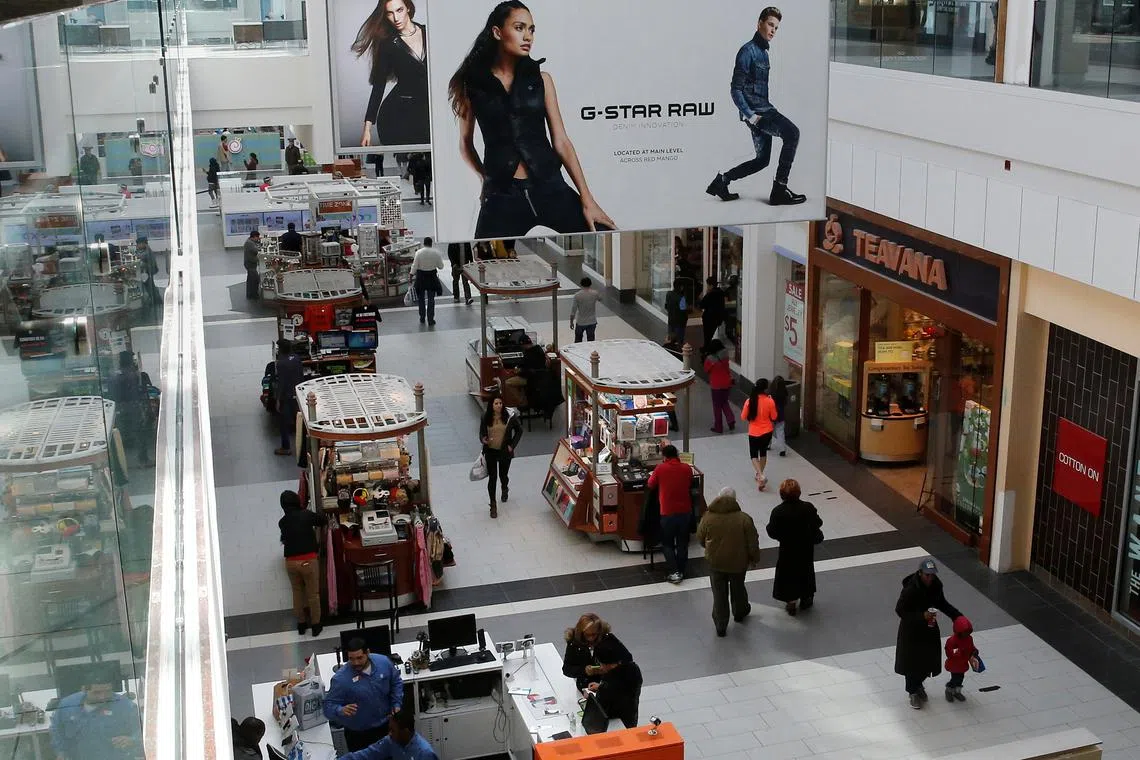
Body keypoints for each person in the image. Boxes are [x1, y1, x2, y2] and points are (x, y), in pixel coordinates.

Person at [448, 1, 616, 238]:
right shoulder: (471, 85)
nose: (528, 36)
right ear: (497, 32)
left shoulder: (542, 80)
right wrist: (486, 178)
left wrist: (588, 199)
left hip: (549, 186)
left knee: (605, 234)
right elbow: (465, 145)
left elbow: (561, 142)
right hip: (502, 195)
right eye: (519, 28)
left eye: (531, 29)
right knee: (484, 262)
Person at [706, 7, 806, 207]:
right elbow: (735, 90)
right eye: (770, 24)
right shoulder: (747, 51)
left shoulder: (763, 52)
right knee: (792, 133)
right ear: (759, 23)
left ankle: (722, 181)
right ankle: (779, 189)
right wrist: (751, 116)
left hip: (764, 110)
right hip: (758, 114)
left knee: (762, 160)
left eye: (776, 28)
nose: (773, 31)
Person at [355, 0, 430, 147]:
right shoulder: (387, 44)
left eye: (399, 10)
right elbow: (378, 86)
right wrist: (367, 128)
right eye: (390, 13)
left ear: (408, 8)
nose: (396, 18)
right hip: (398, 116)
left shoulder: (431, 32)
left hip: (427, 113)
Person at [894, 558, 963, 710]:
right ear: (920, 573)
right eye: (927, 575)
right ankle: (913, 692)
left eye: (932, 575)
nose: (930, 578)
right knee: (911, 663)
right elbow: (900, 610)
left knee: (928, 660)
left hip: (929, 628)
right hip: (911, 631)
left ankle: (919, 685)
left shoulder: (936, 585)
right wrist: (921, 616)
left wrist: (957, 616)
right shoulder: (910, 589)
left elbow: (942, 603)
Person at [562, 614, 643, 731]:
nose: (591, 638)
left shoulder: (608, 641)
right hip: (591, 687)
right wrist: (585, 671)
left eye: (594, 634)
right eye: (587, 635)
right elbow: (567, 669)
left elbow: (626, 659)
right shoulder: (574, 643)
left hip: (606, 690)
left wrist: (606, 674)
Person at [697, 487, 761, 636]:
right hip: (738, 562)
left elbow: (700, 538)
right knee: (738, 588)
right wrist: (754, 558)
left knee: (719, 594)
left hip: (715, 563)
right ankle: (740, 612)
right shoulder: (744, 518)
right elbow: (752, 542)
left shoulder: (708, 517)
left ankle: (721, 624)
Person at [324, 638, 405, 751]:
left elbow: (396, 682)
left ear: (367, 652)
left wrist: (396, 704)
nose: (356, 663)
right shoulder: (341, 679)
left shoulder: (384, 663)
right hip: (359, 736)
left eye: (359, 658)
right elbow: (328, 707)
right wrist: (340, 710)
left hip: (387, 727)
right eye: (351, 659)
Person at [50, 675, 143, 760]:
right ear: (84, 690)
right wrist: (60, 753)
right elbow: (57, 729)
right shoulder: (67, 705)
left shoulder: (126, 706)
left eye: (107, 691)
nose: (102, 697)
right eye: (96, 693)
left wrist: (132, 740)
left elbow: (143, 730)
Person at [766, 478, 822, 616]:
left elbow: (771, 531)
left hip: (787, 549)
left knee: (788, 574)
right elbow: (818, 522)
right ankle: (806, 597)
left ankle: (791, 601)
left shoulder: (778, 511)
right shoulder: (807, 508)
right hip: (805, 548)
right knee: (806, 571)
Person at [279, 489, 327, 636]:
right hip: (308, 560)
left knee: (297, 593)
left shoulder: (282, 522)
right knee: (313, 594)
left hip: (290, 563)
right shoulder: (305, 515)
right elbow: (322, 520)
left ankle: (301, 625)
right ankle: (316, 625)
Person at [647, 444, 694, 584]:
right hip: (685, 511)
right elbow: (690, 482)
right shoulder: (686, 468)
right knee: (682, 543)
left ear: (664, 457)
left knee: (667, 543)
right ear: (677, 455)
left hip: (667, 512)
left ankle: (674, 572)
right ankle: (682, 569)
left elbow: (650, 484)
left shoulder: (661, 468)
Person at [479, 395, 523, 518]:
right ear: (491, 405)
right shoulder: (485, 417)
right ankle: (493, 505)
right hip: (491, 452)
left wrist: (512, 445)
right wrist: (483, 439)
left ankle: (505, 487)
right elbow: (482, 432)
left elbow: (519, 431)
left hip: (504, 451)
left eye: (500, 403)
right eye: (496, 403)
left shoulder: (510, 417)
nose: (498, 405)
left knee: (503, 475)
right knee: (492, 478)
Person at [110, 351, 153, 467]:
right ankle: (143, 460)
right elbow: (137, 393)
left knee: (121, 436)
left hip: (118, 407)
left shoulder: (115, 374)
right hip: (132, 406)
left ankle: (120, 465)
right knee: (139, 433)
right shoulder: (132, 374)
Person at [339, 711, 438, 760]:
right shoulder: (390, 742)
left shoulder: (424, 753)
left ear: (406, 731)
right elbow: (366, 754)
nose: (389, 734)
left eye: (393, 730)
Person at [741, 378, 778, 490]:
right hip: (767, 431)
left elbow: (743, 417)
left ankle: (760, 475)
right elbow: (774, 417)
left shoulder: (749, 401)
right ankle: (760, 475)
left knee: (753, 455)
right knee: (763, 453)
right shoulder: (770, 401)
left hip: (754, 432)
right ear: (766, 389)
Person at [274, 339, 304, 455]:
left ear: (281, 349)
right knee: (300, 421)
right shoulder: (297, 358)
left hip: (286, 396)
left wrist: (277, 399)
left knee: (283, 423)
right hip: (298, 394)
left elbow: (281, 382)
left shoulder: (281, 363)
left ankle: (286, 447)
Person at [410, 236, 444, 326]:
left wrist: (411, 274)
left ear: (424, 243)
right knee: (431, 299)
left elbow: (415, 265)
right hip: (432, 277)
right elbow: (441, 266)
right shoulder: (436, 253)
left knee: (421, 299)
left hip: (421, 277)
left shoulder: (418, 253)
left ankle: (422, 317)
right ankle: (430, 319)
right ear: (431, 243)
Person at [944, 615, 978, 703]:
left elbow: (971, 647)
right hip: (954, 665)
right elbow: (949, 652)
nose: (967, 634)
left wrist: (974, 651)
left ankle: (956, 691)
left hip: (963, 664)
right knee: (955, 679)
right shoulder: (952, 641)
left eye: (968, 632)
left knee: (960, 678)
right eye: (965, 632)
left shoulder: (969, 639)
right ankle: (949, 690)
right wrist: (958, 652)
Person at [703, 338, 734, 434]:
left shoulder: (709, 359)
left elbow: (706, 370)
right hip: (727, 383)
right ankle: (730, 419)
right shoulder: (725, 355)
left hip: (716, 385)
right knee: (724, 402)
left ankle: (718, 427)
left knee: (717, 406)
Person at [698, 277, 726, 354]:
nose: (707, 287)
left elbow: (702, 305)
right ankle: (707, 348)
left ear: (711, 285)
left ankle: (706, 349)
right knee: (710, 334)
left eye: (708, 285)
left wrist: (704, 296)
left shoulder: (710, 294)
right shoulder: (721, 293)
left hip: (709, 318)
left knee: (707, 335)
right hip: (717, 318)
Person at [570, 277, 600, 342]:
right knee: (591, 341)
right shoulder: (595, 293)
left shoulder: (577, 295)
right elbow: (600, 298)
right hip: (592, 321)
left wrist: (571, 322)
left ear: (581, 284)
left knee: (578, 340)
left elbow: (573, 311)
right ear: (590, 284)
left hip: (581, 322)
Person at [770, 375, 789, 456]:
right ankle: (782, 449)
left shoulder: (771, 393)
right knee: (780, 431)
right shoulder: (784, 393)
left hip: (771, 415)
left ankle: (767, 445)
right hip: (780, 414)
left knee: (769, 430)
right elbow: (785, 403)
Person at [664, 280, 687, 346]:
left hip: (671, 321)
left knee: (670, 339)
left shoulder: (669, 294)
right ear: (681, 287)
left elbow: (666, 306)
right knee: (679, 341)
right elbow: (683, 312)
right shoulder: (681, 298)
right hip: (679, 323)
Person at [243, 229, 261, 300]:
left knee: (250, 279)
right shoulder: (250, 243)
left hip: (249, 263)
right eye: (257, 237)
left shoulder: (249, 242)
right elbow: (256, 250)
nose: (258, 239)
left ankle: (250, 294)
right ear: (254, 237)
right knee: (255, 279)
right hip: (250, 264)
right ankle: (254, 295)